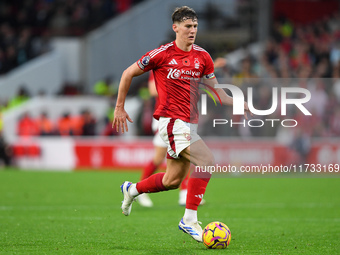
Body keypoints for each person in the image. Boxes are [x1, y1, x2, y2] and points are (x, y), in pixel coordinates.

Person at [113, 6, 251, 242]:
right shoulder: (161, 54)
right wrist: (119, 107)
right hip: (172, 122)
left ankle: (132, 189)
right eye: (188, 26)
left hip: (190, 124)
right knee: (207, 160)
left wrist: (236, 102)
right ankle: (189, 220)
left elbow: (216, 90)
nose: (192, 30)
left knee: (171, 181)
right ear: (175, 27)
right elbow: (127, 73)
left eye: (195, 26)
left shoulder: (203, 57)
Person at [136, 71, 193, 207]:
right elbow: (153, 90)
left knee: (185, 153)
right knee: (159, 158)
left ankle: (184, 193)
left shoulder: (182, 65)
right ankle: (140, 190)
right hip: (164, 118)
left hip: (181, 117)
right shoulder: (158, 66)